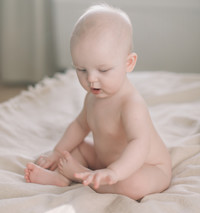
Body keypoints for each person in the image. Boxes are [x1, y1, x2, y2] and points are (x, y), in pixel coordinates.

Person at [24, 4, 171, 200]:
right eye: (82, 69)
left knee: (134, 184)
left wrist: (114, 172)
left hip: (145, 167)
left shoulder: (131, 104)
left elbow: (139, 144)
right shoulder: (92, 97)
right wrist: (57, 152)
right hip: (104, 159)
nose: (91, 79)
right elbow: (79, 125)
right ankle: (61, 178)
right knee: (74, 149)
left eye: (103, 70)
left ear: (128, 63)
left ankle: (89, 178)